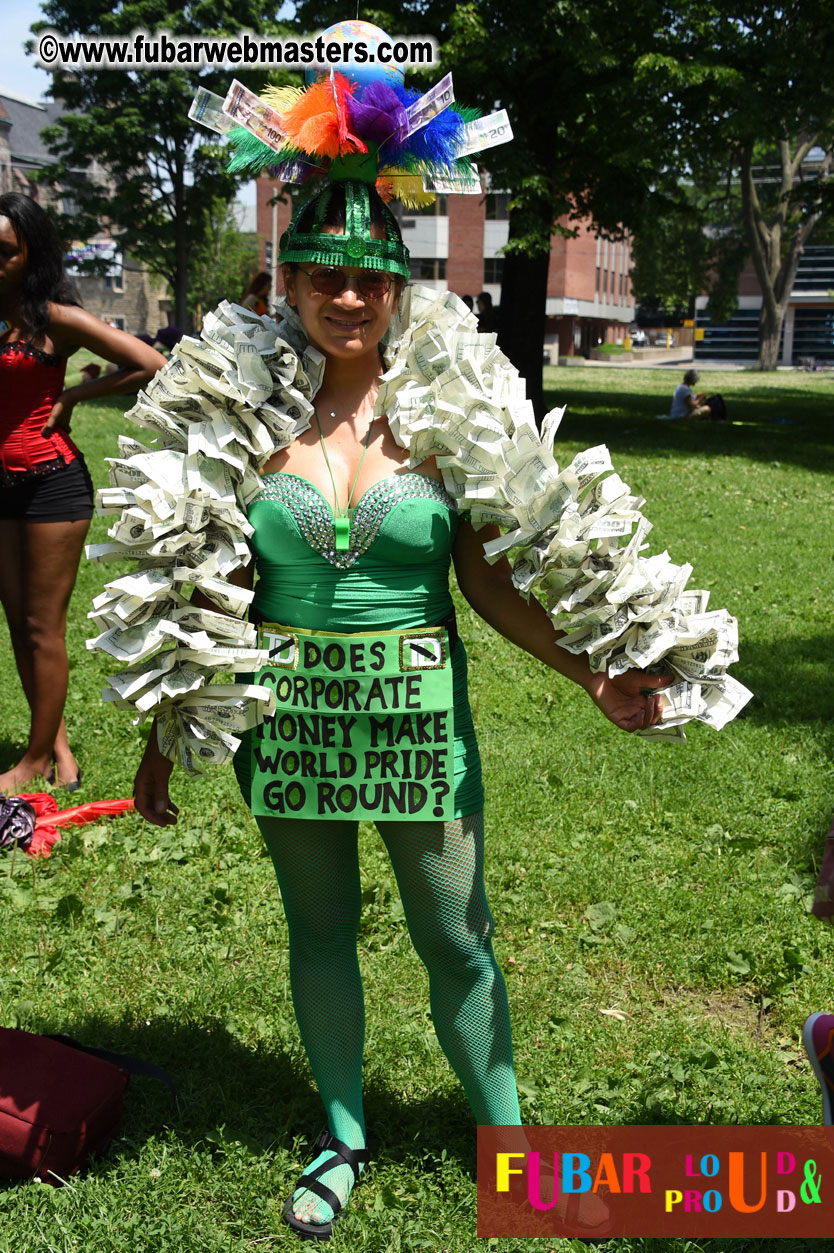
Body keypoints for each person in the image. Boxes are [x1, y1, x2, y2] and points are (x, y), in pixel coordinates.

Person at [131, 175, 672, 1240]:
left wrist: (590, 672)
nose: (346, 297)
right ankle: (341, 1132)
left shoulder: (442, 408)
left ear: (401, 285)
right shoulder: (239, 411)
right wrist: (168, 726)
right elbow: (199, 585)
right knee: (319, 929)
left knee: (458, 936)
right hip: (287, 728)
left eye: (369, 277)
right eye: (324, 275)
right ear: (284, 280)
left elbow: (488, 581)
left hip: (419, 723)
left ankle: (514, 1157)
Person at [0, 192, 165, 793]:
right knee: (18, 623)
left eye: (6, 252)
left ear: (28, 255)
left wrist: (72, 397)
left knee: (43, 624)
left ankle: (34, 762)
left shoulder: (51, 318)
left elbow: (149, 362)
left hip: (51, 484)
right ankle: (57, 752)